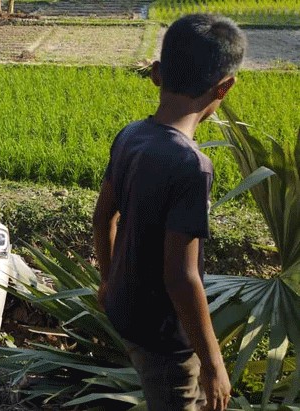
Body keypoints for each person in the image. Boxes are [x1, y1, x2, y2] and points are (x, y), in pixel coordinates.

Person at [92, 14, 245, 411]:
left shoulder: (130, 135)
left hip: (126, 314)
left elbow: (102, 214)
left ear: (157, 73)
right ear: (224, 88)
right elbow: (181, 275)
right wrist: (213, 364)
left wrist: (107, 280)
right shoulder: (192, 166)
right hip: (165, 342)